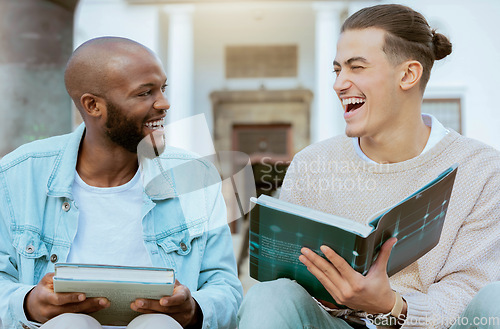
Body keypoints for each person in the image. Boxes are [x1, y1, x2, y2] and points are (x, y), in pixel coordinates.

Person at [238, 4, 500, 329]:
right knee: (268, 297)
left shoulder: (483, 170)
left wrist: (391, 306)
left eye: (356, 67)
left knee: (497, 301)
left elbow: (470, 292)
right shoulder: (312, 165)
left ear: (408, 75)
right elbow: (287, 286)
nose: (338, 84)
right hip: (336, 323)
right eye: (337, 70)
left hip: (431, 324)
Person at [0, 37, 243, 329]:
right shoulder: (17, 175)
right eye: (144, 93)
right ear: (93, 105)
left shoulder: (196, 175)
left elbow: (226, 288)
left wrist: (195, 310)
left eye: (162, 88)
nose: (164, 104)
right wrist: (28, 304)